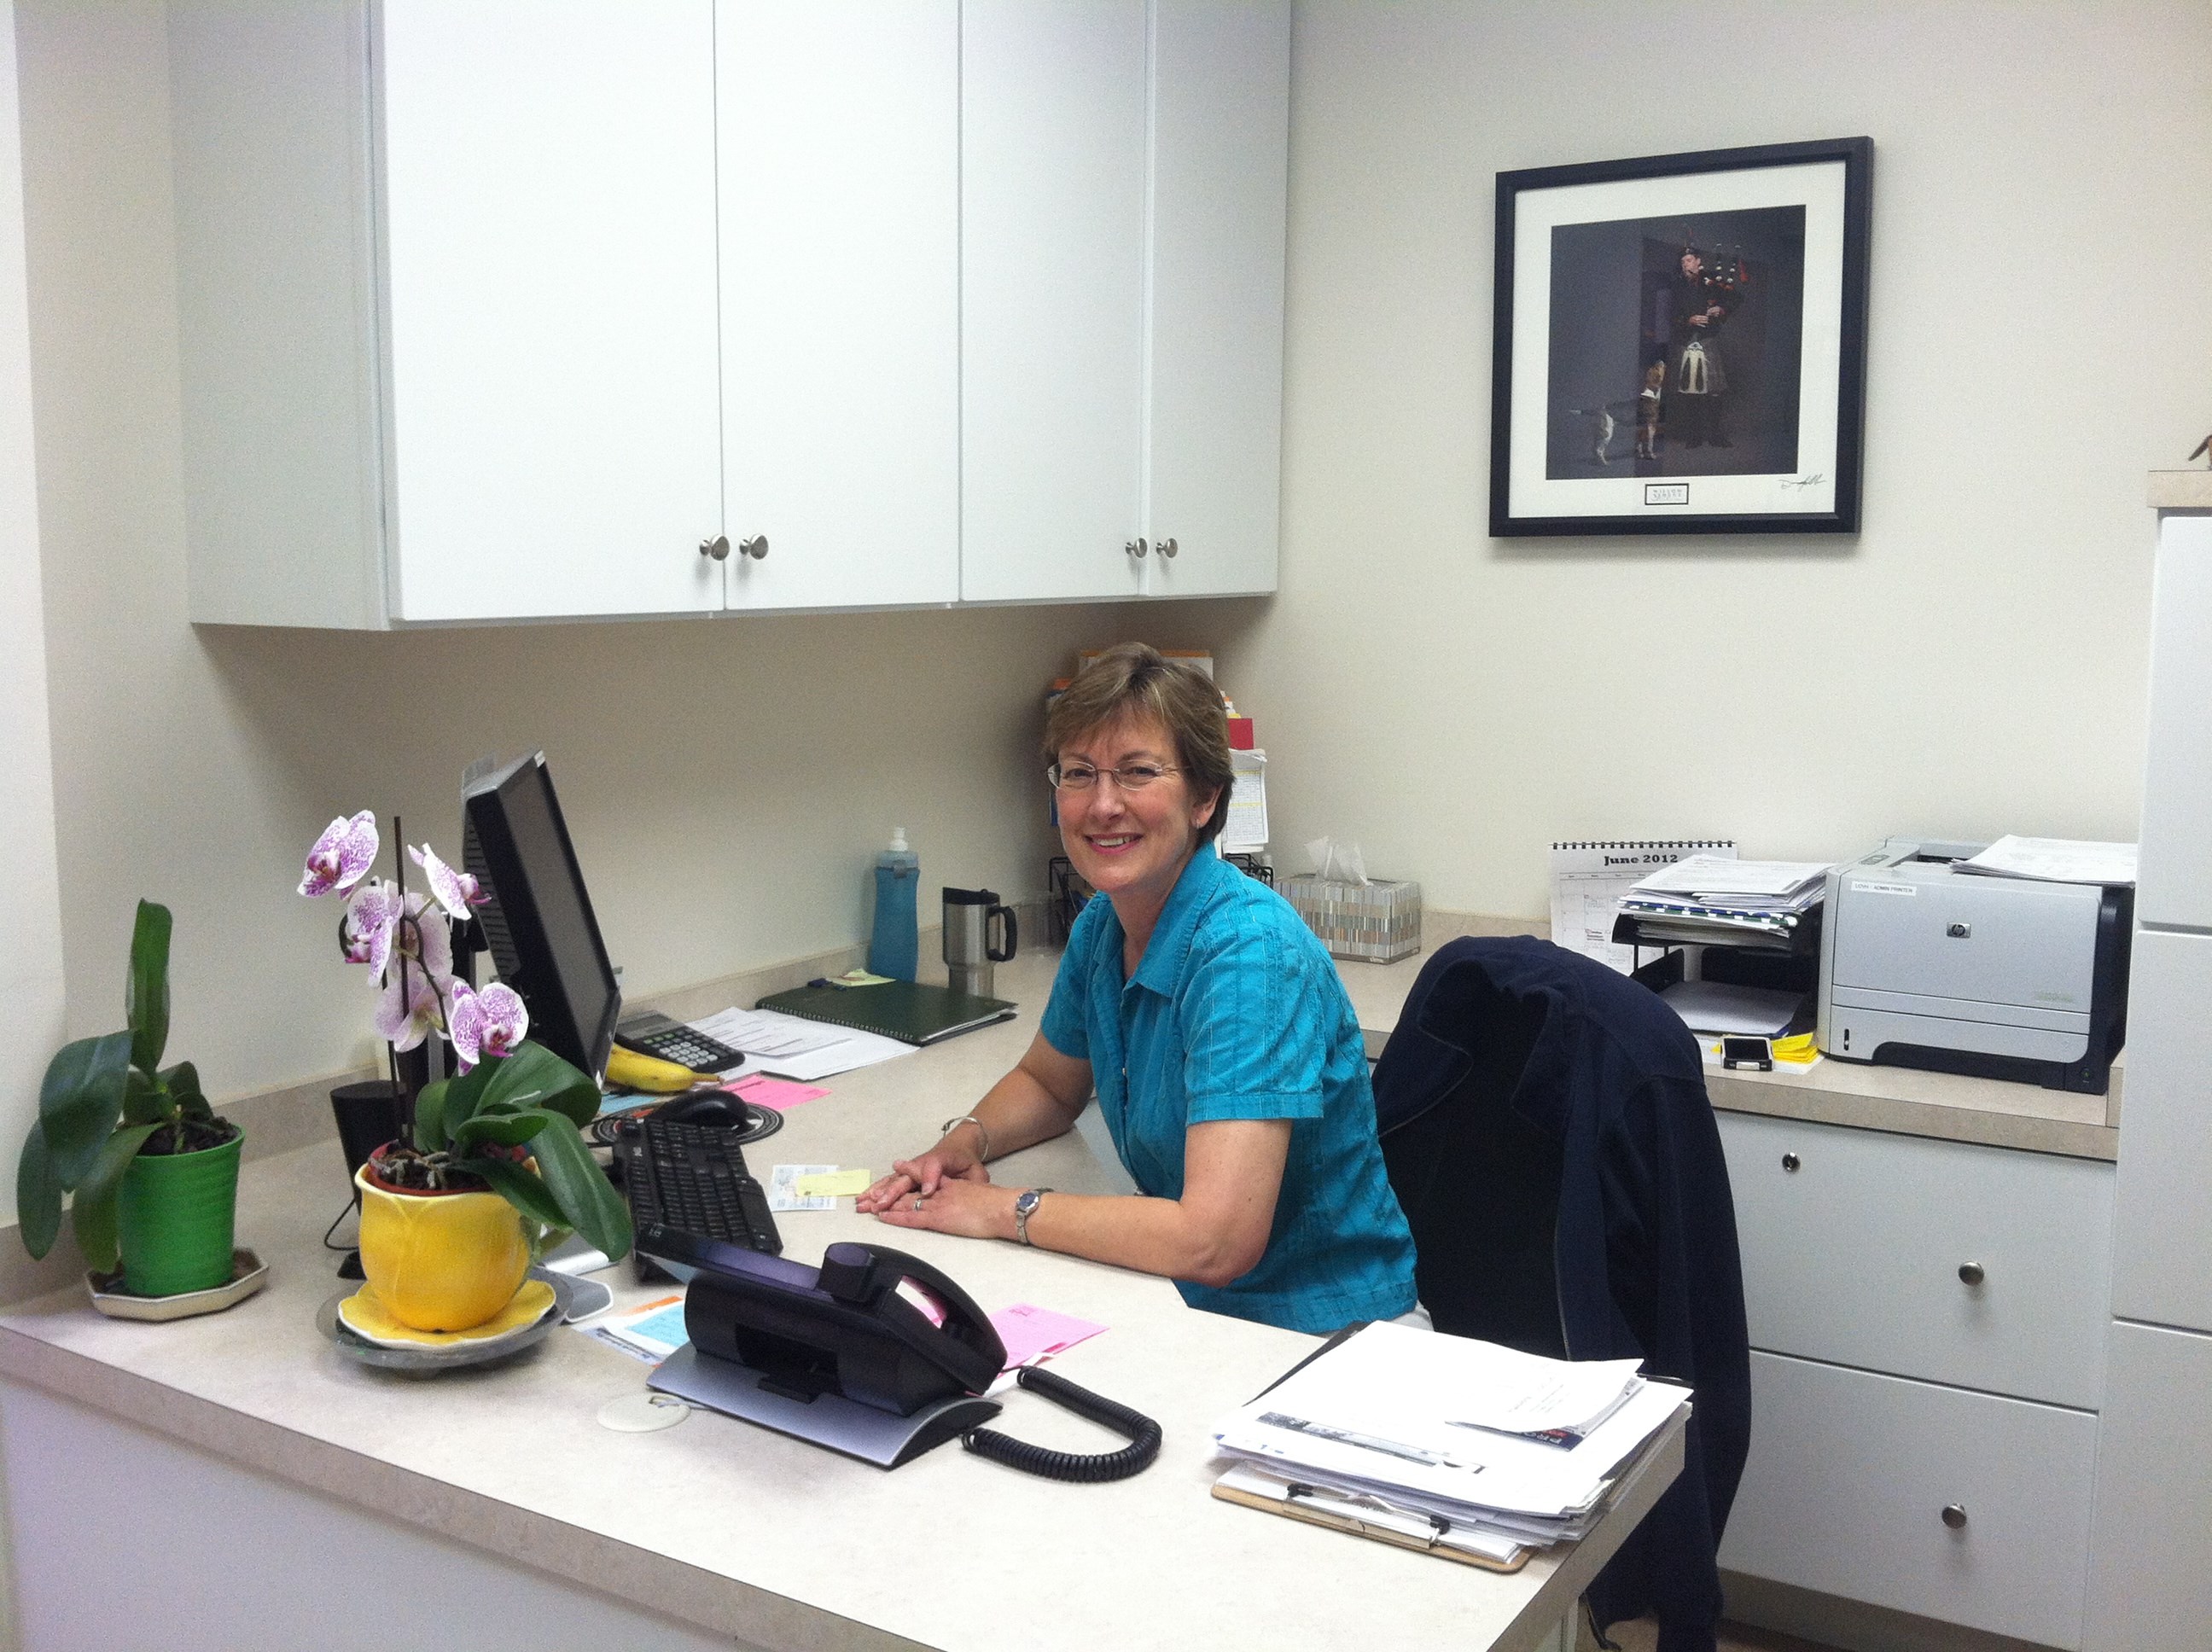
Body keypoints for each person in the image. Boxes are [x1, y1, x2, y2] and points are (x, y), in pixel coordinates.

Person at [856, 644, 1419, 1335]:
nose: (1102, 805)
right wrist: (966, 1143)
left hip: (1315, 1335)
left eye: (1138, 773)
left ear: (1205, 797)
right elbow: (1049, 1082)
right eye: (1079, 774)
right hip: (1189, 1304)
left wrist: (1002, 1210)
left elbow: (1214, 1240)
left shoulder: (1248, 957)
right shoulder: (1104, 924)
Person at [1668, 241, 1733, 449]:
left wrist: (1720, 310)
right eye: (1682, 262)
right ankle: (1694, 436)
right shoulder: (1676, 285)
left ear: (1698, 261)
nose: (1685, 265)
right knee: (1691, 390)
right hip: (1686, 341)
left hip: (1708, 340)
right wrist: (1689, 320)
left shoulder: (1712, 281)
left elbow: (1732, 300)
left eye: (1688, 261)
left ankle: (1715, 435)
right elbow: (1669, 315)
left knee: (1715, 390)